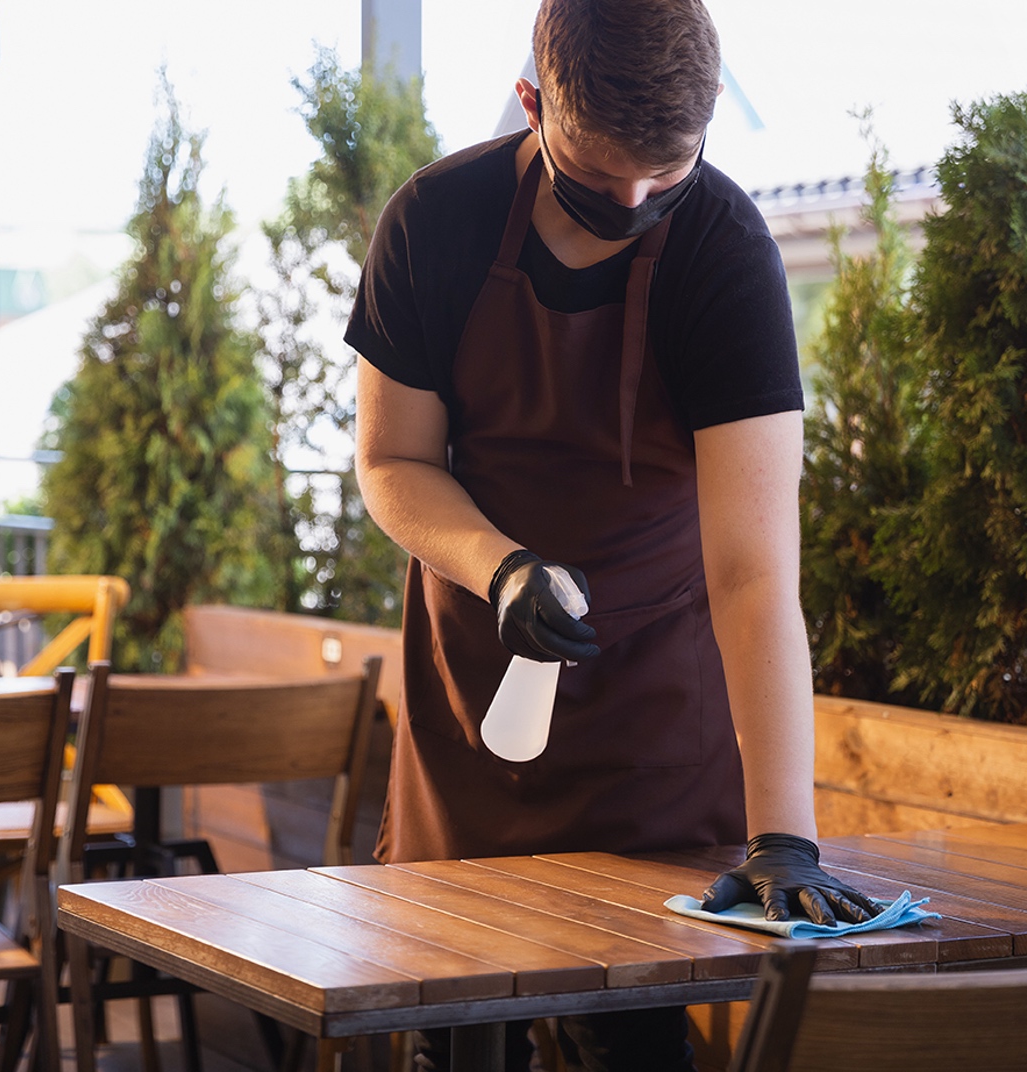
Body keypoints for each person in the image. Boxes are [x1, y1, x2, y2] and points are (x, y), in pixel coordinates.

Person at [348, 1, 878, 1067]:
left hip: (652, 728)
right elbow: (392, 463)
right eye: (600, 179)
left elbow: (753, 571)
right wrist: (501, 569)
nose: (634, 204)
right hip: (475, 706)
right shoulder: (433, 225)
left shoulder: (725, 254)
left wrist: (783, 835)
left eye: (666, 177)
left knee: (633, 1039)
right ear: (534, 102)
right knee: (449, 1034)